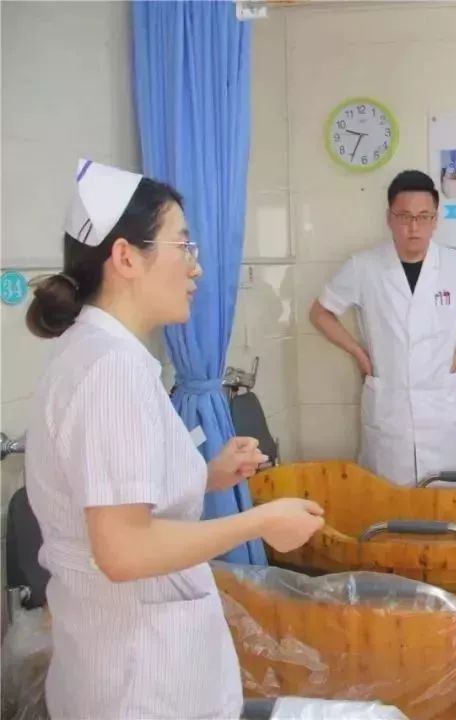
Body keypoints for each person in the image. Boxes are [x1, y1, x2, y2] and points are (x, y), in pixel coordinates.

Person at [23, 158, 325, 719]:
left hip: (137, 668)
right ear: (125, 258)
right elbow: (124, 549)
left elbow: (116, 497)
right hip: (140, 685)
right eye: (183, 245)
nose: (197, 267)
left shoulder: (103, 357)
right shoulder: (110, 371)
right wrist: (260, 521)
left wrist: (209, 475)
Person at [310, 170, 456, 486]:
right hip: (389, 407)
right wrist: (358, 353)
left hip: (440, 407)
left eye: (423, 217)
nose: (414, 227)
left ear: (435, 220)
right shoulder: (364, 266)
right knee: (388, 500)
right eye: (404, 217)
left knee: (448, 498)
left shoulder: (455, 265)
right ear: (389, 218)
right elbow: (320, 313)